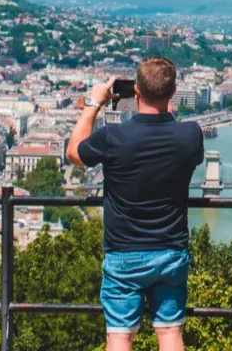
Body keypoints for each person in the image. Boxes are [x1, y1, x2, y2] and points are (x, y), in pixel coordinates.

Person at [66, 56, 205, 351]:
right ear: (174, 92)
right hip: (171, 251)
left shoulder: (113, 136)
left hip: (123, 253)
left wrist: (94, 103)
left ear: (135, 91)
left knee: (119, 336)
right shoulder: (191, 135)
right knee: (169, 334)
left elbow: (73, 154)